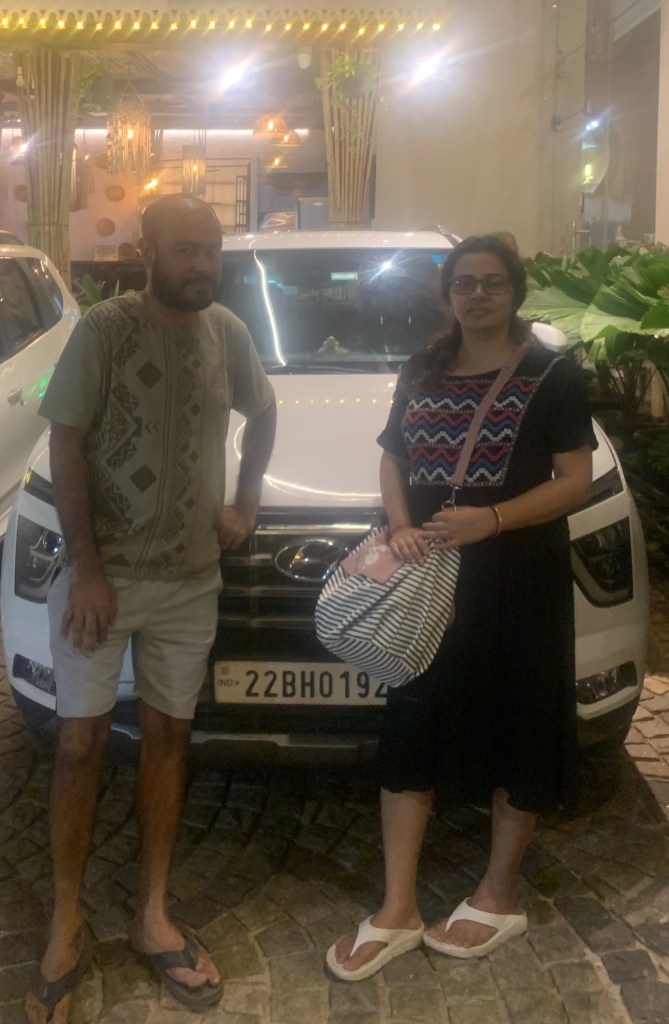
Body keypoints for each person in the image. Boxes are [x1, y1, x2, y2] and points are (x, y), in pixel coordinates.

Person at [26, 194, 276, 1022]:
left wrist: (247, 500)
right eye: (185, 250)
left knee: (170, 740)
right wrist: (87, 570)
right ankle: (66, 921)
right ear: (147, 251)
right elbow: (65, 440)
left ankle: (151, 913)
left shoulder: (228, 333)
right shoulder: (105, 330)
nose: (202, 265)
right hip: (105, 581)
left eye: (211, 250)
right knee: (79, 745)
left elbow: (264, 411)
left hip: (190, 581)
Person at [327, 235, 596, 981]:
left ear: (515, 291)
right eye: (465, 283)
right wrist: (398, 525)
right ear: (447, 294)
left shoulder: (552, 375)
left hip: (517, 575)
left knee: (519, 717)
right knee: (412, 720)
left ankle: (498, 894)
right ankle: (398, 906)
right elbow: (394, 455)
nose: (478, 294)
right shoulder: (422, 368)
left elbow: (575, 480)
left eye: (492, 282)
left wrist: (494, 519)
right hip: (427, 580)